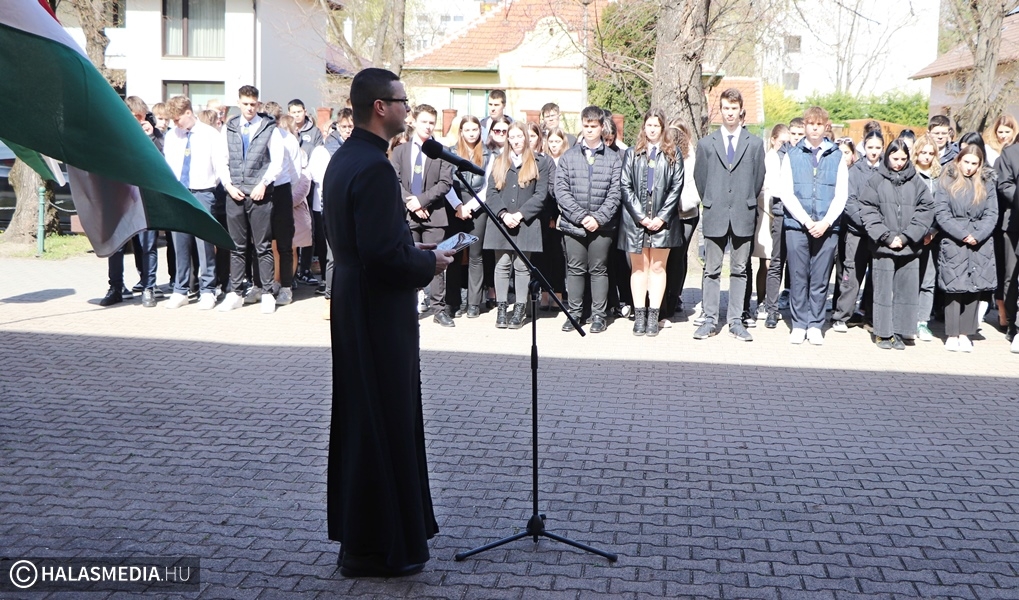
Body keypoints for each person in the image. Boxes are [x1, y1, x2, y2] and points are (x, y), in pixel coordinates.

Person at [323, 67, 454, 579]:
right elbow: (382, 256)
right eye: (403, 100)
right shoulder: (375, 168)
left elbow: (366, 245)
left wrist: (409, 253)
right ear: (380, 107)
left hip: (354, 302)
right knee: (384, 420)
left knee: (363, 419)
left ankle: (361, 541)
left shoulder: (345, 158)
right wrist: (428, 262)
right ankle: (378, 548)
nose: (408, 108)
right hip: (377, 311)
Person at [692, 88, 766, 341]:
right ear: (720, 110)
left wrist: (743, 200)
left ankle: (736, 321)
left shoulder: (754, 144)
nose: (730, 113)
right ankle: (710, 320)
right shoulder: (706, 144)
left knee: (739, 270)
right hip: (715, 213)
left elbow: (757, 179)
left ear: (741, 110)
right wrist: (713, 200)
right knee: (711, 270)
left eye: (734, 108)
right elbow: (700, 179)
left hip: (743, 214)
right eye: (726, 108)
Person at [776, 106, 847, 345]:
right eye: (810, 124)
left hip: (827, 227)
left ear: (826, 126)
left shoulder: (836, 155)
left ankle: (815, 324)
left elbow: (841, 194)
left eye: (819, 124)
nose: (814, 128)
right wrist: (806, 220)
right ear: (804, 126)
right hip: (798, 226)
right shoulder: (792, 155)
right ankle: (799, 324)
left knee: (820, 278)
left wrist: (826, 222)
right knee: (798, 277)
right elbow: (786, 192)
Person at [857, 138, 935, 350]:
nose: (899, 163)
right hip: (883, 246)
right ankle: (882, 333)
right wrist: (886, 236)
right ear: (887, 157)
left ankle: (901, 331)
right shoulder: (876, 180)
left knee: (906, 291)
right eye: (895, 158)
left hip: (910, 246)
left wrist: (908, 236)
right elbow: (868, 209)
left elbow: (926, 209)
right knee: (883, 292)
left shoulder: (916, 181)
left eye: (903, 159)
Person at [216, 85, 285, 314]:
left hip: (259, 193)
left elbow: (277, 161)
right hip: (235, 193)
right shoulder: (230, 127)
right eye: (245, 104)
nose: (249, 108)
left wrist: (263, 183)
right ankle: (235, 293)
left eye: (253, 104)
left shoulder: (268, 127)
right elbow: (221, 159)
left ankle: (267, 293)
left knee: (262, 246)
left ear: (258, 104)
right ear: (239, 103)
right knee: (236, 246)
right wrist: (228, 185)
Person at [555, 105, 623, 333]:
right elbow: (561, 190)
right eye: (586, 126)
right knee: (575, 269)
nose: (590, 130)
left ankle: (598, 316)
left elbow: (616, 192)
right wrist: (581, 217)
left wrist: (598, 218)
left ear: (602, 127)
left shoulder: (613, 159)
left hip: (602, 227)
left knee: (598, 269)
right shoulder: (568, 157)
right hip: (574, 225)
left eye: (594, 126)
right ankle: (574, 314)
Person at [618, 109, 683, 337]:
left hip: (663, 222)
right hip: (636, 221)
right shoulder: (632, 153)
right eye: (649, 125)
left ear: (662, 128)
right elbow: (625, 185)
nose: (652, 129)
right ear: (644, 127)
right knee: (639, 268)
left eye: (656, 126)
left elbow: (676, 187)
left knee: (657, 268)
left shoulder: (673, 153)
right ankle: (640, 315)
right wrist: (641, 216)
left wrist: (661, 217)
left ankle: (654, 316)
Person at [390, 104, 455, 325]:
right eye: (424, 121)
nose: (428, 126)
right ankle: (409, 306)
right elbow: (394, 180)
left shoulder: (442, 152)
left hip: (434, 215)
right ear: (414, 122)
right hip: (408, 215)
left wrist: (423, 200)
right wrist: (412, 203)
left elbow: (445, 183)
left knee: (437, 260)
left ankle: (439, 309)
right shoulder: (400, 151)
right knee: (408, 261)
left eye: (431, 123)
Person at [484, 121, 550, 328]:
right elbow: (491, 193)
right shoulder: (499, 161)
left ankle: (519, 310)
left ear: (526, 137)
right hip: (502, 222)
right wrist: (503, 214)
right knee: (502, 264)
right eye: (511, 137)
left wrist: (520, 214)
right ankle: (502, 309)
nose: (516, 141)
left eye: (519, 136)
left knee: (522, 266)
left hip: (526, 223)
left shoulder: (539, 162)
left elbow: (541, 195)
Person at [162, 95, 226, 310]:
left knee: (204, 243)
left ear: (188, 113)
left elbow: (219, 164)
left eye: (178, 119)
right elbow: (168, 165)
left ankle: (208, 289)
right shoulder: (172, 136)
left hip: (202, 191)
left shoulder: (209, 134)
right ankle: (180, 289)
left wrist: (217, 185)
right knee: (179, 243)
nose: (175, 124)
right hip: (179, 192)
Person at [98, 96, 162, 308]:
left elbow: (162, 161)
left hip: (146, 197)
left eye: (142, 117)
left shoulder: (155, 135)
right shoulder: (114, 133)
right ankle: (115, 287)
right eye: (135, 117)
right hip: (119, 197)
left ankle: (149, 287)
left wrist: (151, 136)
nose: (139, 121)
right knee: (116, 245)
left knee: (147, 245)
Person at [934, 145, 998, 352]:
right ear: (959, 160)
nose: (969, 167)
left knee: (974, 287)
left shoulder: (987, 183)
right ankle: (952, 334)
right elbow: (942, 212)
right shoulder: (947, 180)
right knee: (954, 286)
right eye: (966, 162)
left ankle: (965, 333)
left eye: (974, 163)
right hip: (954, 240)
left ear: (980, 165)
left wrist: (977, 235)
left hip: (980, 241)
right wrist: (962, 234)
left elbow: (992, 214)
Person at [831, 130, 883, 332]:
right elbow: (849, 201)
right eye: (870, 147)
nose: (874, 151)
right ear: (864, 147)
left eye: (878, 147)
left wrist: (878, 227)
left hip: (879, 235)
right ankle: (841, 316)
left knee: (876, 277)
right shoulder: (854, 171)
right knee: (851, 275)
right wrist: (866, 223)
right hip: (857, 232)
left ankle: (870, 317)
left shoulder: (886, 171)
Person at [446, 115, 490, 318]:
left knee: (475, 255)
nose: (472, 134)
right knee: (453, 254)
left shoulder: (489, 153)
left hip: (478, 206)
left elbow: (488, 185)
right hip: (455, 204)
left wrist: (470, 207)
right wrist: (458, 206)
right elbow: (446, 181)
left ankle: (474, 303)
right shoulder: (450, 152)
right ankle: (452, 302)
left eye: (475, 129)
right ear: (461, 132)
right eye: (468, 130)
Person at [912, 133, 942, 341]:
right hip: (912, 235)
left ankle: (922, 321)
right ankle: (906, 319)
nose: (927, 156)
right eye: (923, 152)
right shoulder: (910, 174)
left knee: (927, 280)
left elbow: (942, 207)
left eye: (931, 153)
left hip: (932, 236)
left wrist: (933, 231)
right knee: (909, 278)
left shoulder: (940, 177)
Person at [761, 123, 790, 328]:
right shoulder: (771, 159)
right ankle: (770, 308)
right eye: (783, 141)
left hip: (792, 215)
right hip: (773, 212)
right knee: (774, 262)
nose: (786, 144)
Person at [995, 123, 1019, 343]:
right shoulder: (1010, 153)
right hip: (1014, 225)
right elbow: (1005, 185)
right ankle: (1012, 322)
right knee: (1012, 275)